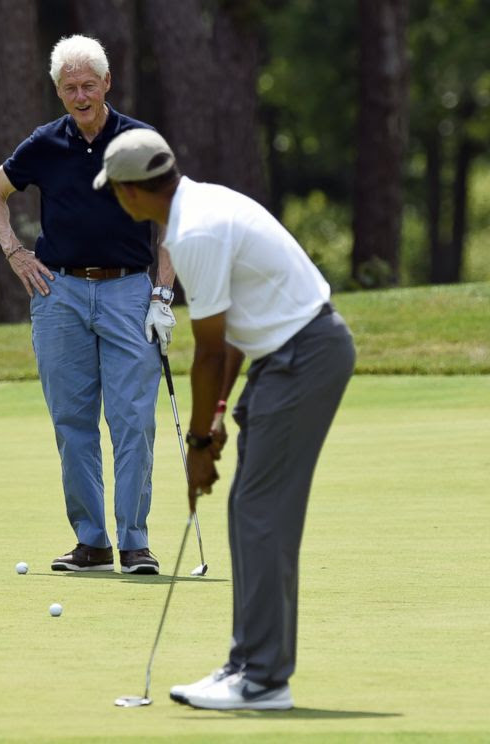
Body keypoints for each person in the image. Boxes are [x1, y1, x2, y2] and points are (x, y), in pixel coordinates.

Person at [94, 128, 356, 710]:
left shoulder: (195, 231)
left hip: (305, 355)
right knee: (250, 508)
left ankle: (263, 678)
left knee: (262, 512)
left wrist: (195, 446)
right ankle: (246, 663)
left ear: (132, 194)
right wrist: (213, 422)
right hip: (285, 354)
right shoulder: (203, 204)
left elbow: (209, 352)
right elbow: (231, 337)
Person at [0, 35, 178, 575]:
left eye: (89, 84)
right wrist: (16, 253)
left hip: (129, 292)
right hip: (58, 294)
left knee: (132, 420)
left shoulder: (139, 140)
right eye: (70, 87)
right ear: (58, 91)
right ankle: (92, 542)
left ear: (107, 83)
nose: (81, 95)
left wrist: (163, 292)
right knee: (73, 422)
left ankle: (135, 541)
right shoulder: (45, 143)